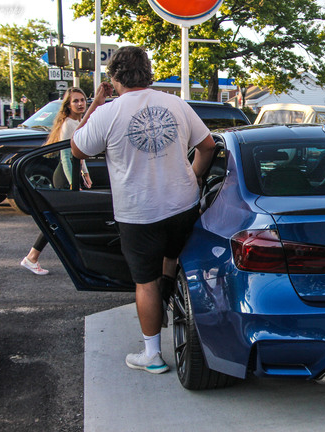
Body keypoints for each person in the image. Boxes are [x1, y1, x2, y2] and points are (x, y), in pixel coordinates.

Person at [71, 46, 216, 374]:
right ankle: (173, 306)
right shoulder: (176, 103)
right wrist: (193, 174)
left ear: (114, 76)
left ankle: (152, 354)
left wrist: (96, 101)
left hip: (139, 212)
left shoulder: (109, 112)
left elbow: (78, 148)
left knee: (145, 281)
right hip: (182, 204)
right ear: (148, 72)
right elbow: (208, 146)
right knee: (173, 259)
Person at [20, 87, 92, 276]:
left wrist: (85, 174)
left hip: (72, 174)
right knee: (57, 220)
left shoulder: (77, 122)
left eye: (82, 100)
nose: (80, 103)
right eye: (75, 101)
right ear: (68, 105)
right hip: (65, 176)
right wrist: (72, 184)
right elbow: (66, 157)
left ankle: (33, 257)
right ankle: (32, 257)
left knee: (59, 221)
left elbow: (79, 155)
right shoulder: (69, 124)